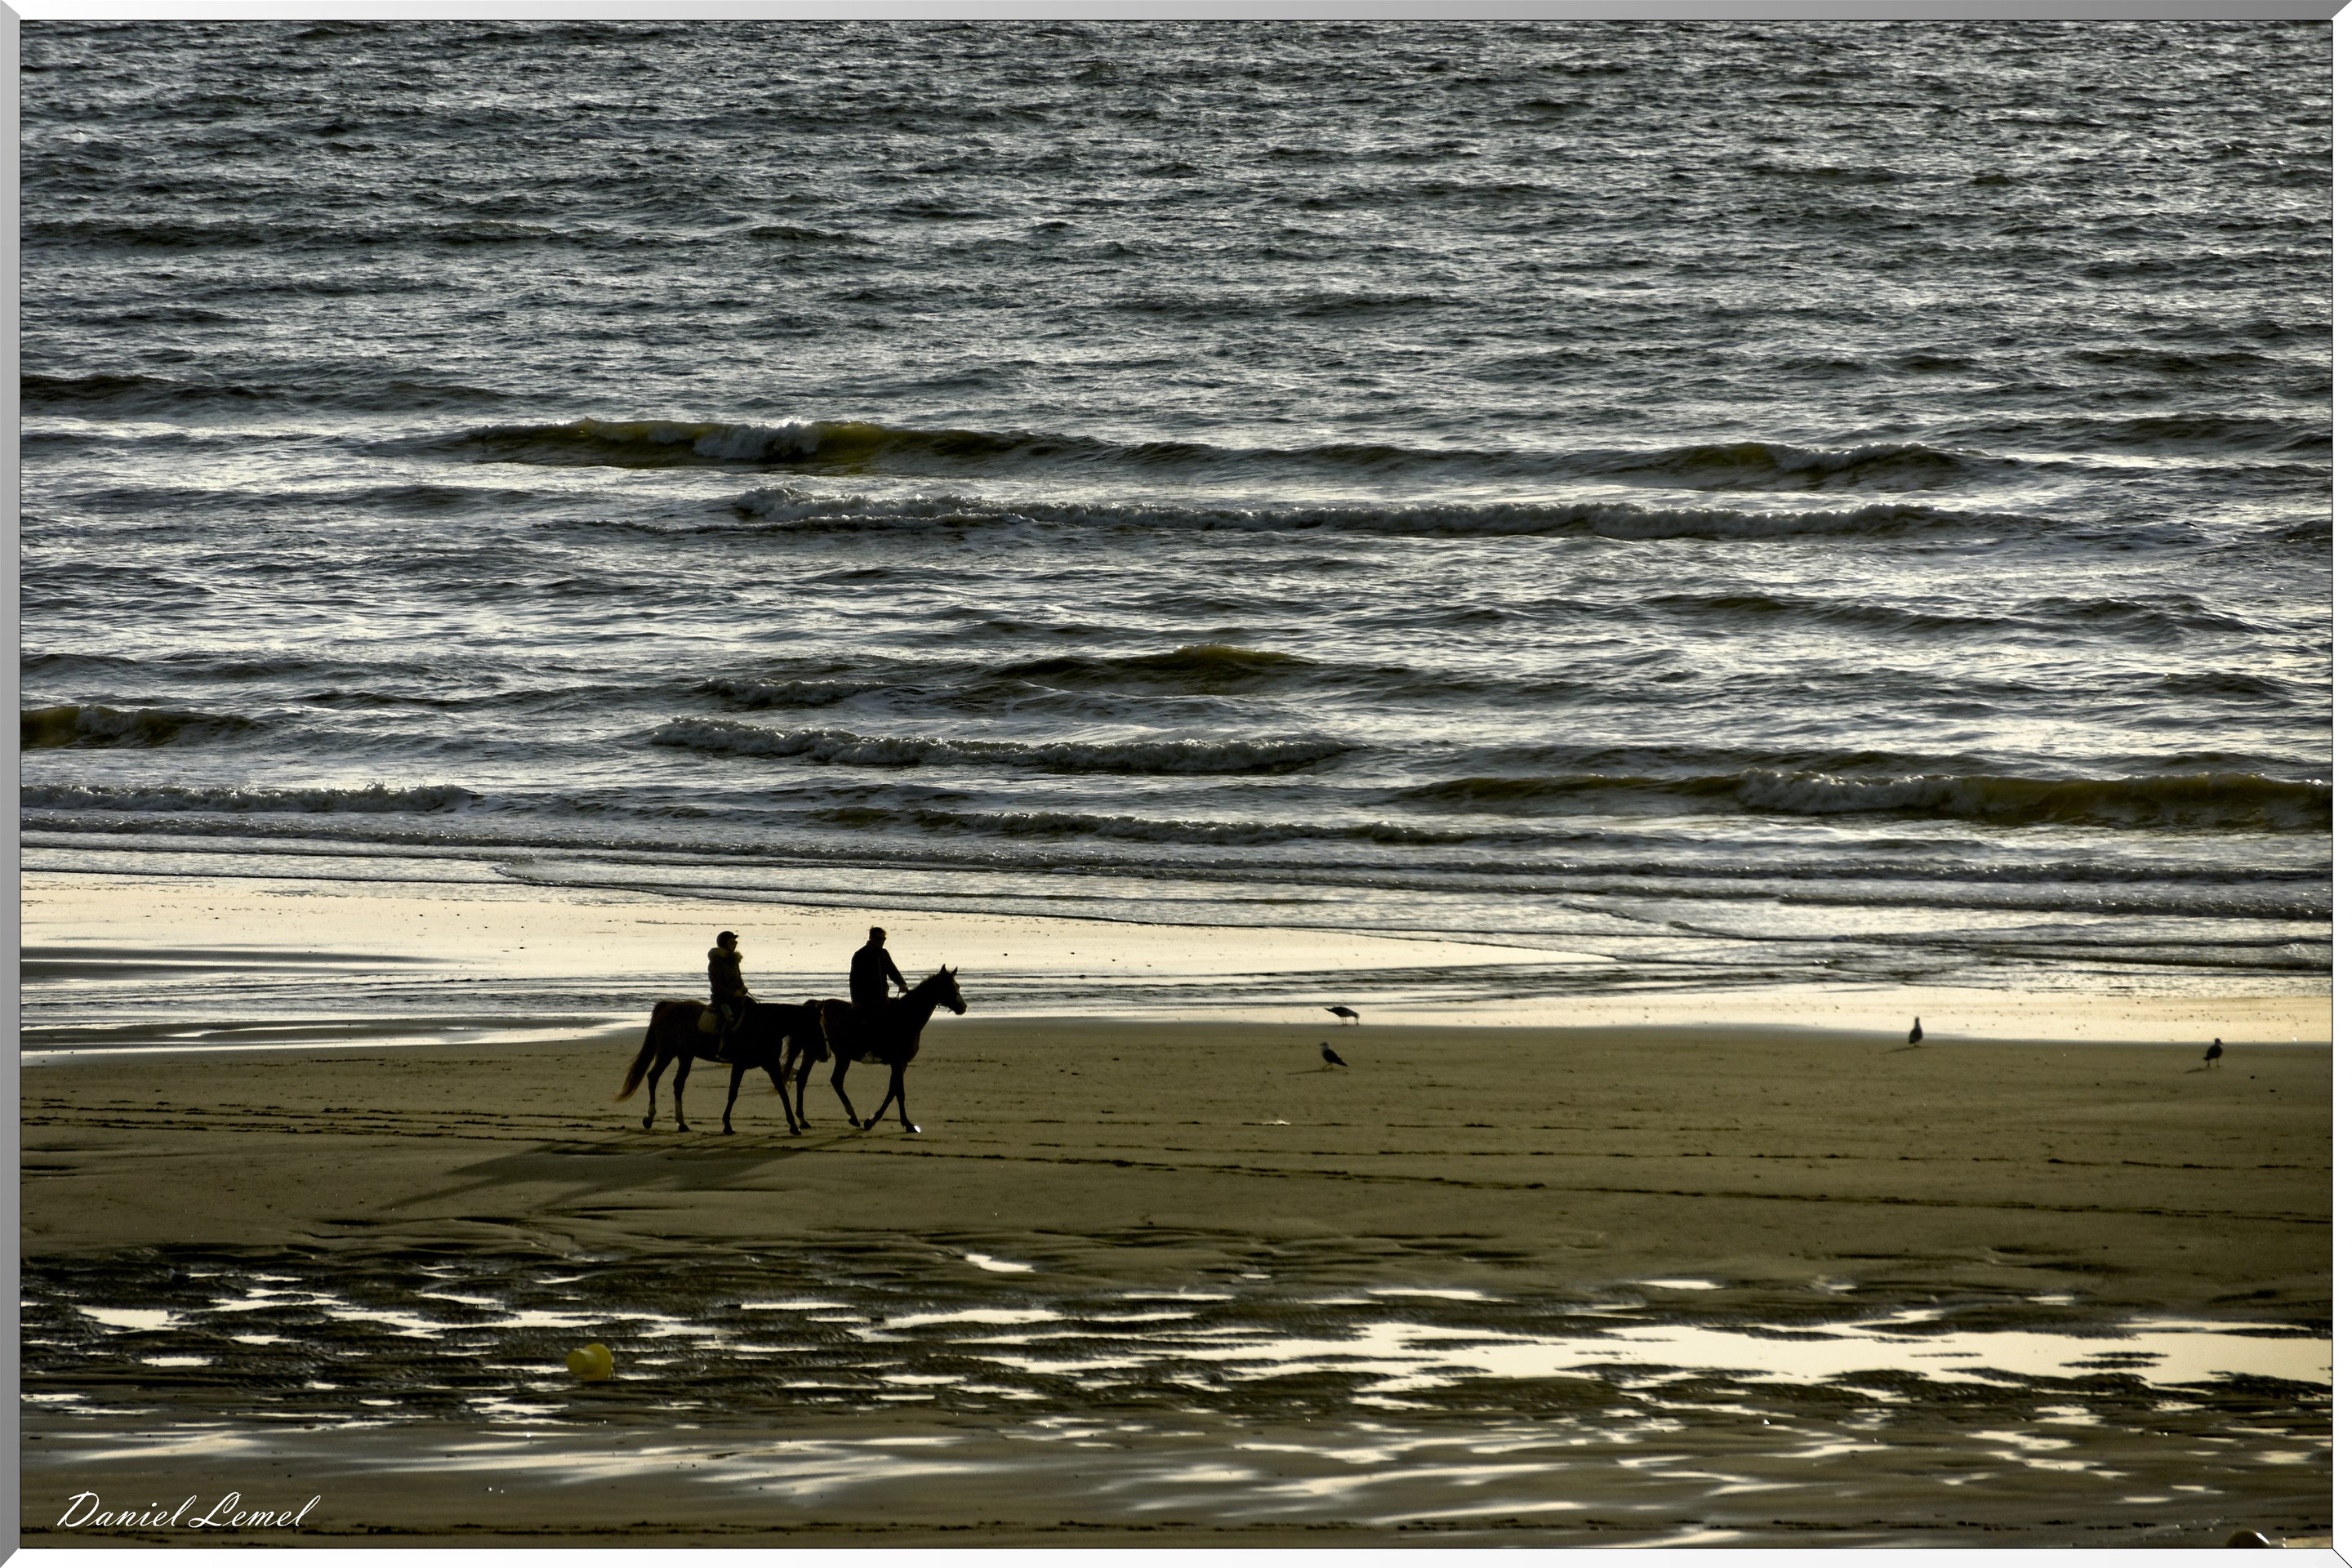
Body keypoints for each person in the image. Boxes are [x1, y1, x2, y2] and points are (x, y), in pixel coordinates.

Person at [709, 930, 753, 1062]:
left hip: (736, 998)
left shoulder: (734, 960)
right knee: (730, 1020)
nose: (734, 945)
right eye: (732, 942)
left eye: (735, 942)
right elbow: (716, 985)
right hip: (722, 999)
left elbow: (738, 979)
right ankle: (723, 1050)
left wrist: (742, 987)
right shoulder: (716, 962)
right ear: (724, 944)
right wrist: (732, 993)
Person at [850, 925, 908, 1015]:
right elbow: (854, 980)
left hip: (883, 998)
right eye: (879, 939)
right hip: (866, 1001)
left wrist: (901, 983)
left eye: (884, 939)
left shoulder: (884, 954)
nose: (882, 941)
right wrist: (855, 1001)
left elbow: (892, 971)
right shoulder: (861, 955)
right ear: (872, 938)